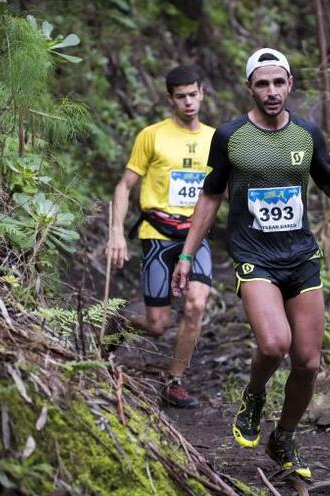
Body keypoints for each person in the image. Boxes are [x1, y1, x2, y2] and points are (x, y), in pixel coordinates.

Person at [172, 49, 330, 478]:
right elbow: (211, 195)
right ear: (249, 87)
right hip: (254, 255)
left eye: (278, 83)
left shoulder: (307, 134)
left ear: (290, 84)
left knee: (308, 363)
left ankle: (284, 437)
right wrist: (186, 252)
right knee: (274, 344)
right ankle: (254, 395)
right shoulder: (231, 136)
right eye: (262, 83)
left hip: (300, 257)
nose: (271, 92)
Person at [108, 65, 215, 408]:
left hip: (195, 234)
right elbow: (124, 185)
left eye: (193, 95)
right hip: (157, 232)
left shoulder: (216, 139)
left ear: (202, 93)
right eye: (180, 96)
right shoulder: (152, 135)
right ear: (170, 99)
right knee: (157, 324)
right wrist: (116, 234)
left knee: (197, 303)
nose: (188, 102)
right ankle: (119, 325)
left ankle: (175, 379)